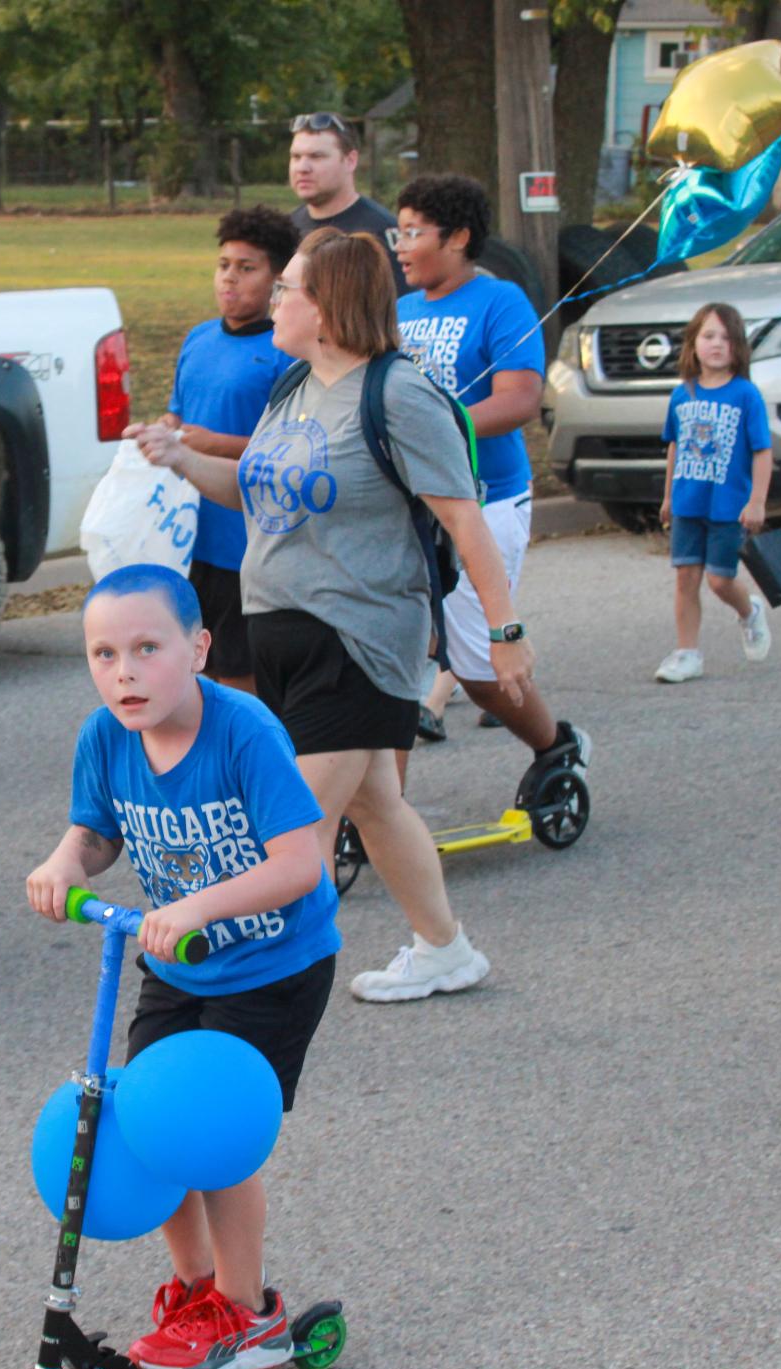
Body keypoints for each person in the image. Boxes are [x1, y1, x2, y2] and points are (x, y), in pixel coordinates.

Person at [130, 228, 532, 1004]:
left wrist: (505, 629)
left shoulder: (399, 396)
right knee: (377, 802)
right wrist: (180, 459)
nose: (274, 299)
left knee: (290, 832)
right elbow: (254, 486)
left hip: (359, 637)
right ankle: (445, 950)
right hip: (281, 624)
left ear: (329, 305)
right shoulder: (293, 386)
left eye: (287, 287)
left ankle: (243, 995)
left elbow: (465, 521)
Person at [25, 563, 337, 1369]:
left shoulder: (244, 731)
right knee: (147, 1121)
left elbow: (301, 862)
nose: (122, 672)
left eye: (145, 648)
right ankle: (198, 1289)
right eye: (102, 654)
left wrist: (200, 906)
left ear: (198, 648)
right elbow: (95, 831)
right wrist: (66, 861)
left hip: (274, 963)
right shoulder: (104, 736)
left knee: (213, 1135)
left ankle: (246, 1312)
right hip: (178, 959)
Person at [394, 173, 589, 777]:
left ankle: (555, 744)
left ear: (456, 237)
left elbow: (520, 399)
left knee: (479, 672)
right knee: (393, 654)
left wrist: (436, 429)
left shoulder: (499, 301)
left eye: (412, 233)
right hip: (410, 504)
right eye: (395, 233)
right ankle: (376, 800)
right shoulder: (398, 310)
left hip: (487, 500)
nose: (399, 246)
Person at [160, 206, 301, 692]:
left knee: (241, 676)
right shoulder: (198, 339)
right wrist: (163, 431)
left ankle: (251, 764)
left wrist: (213, 445)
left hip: (246, 542)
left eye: (247, 268)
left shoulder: (286, 351)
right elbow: (180, 414)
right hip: (189, 537)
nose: (230, 280)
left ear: (278, 278)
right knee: (196, 668)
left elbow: (295, 448)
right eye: (224, 265)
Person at [655, 303, 773, 685]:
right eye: (708, 336)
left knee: (720, 581)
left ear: (738, 347)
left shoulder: (746, 395)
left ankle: (749, 611)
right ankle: (687, 653)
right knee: (685, 578)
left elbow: (762, 451)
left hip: (729, 507)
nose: (716, 344)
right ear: (693, 344)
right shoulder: (681, 395)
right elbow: (674, 446)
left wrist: (757, 500)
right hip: (688, 502)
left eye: (725, 337)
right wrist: (669, 496)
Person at [288, 112, 408, 297]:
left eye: (316, 156)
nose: (302, 168)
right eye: (296, 157)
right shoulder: (286, 230)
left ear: (350, 160)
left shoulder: (382, 233)